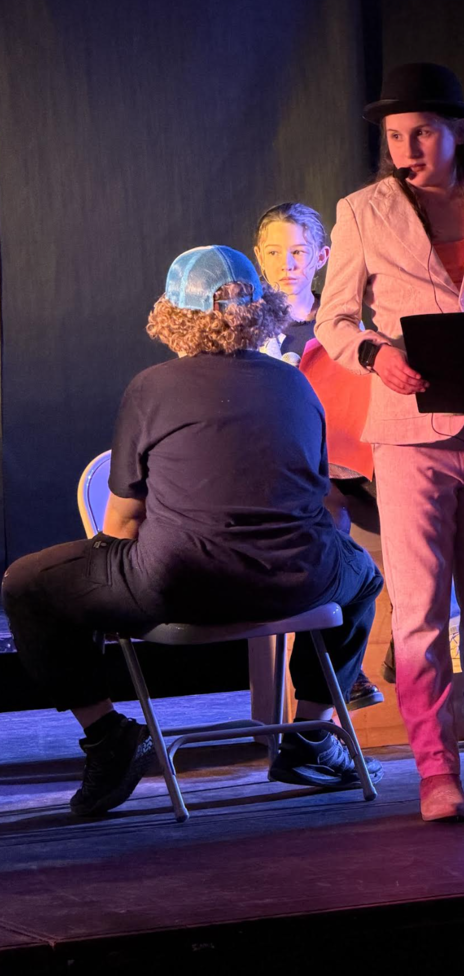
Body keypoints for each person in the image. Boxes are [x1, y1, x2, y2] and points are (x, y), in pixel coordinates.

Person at [2, 245, 383, 817]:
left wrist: (104, 603)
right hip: (299, 581)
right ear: (261, 311)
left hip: (185, 586)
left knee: (26, 582)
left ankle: (109, 739)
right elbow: (317, 492)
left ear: (175, 316)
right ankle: (310, 734)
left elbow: (124, 521)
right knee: (364, 579)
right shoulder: (295, 384)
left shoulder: (152, 386)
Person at [314, 63, 464, 822]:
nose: (406, 147)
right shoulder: (362, 211)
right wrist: (375, 353)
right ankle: (433, 768)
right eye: (394, 136)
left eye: (420, 132)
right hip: (412, 433)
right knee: (420, 610)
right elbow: (334, 319)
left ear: (458, 133)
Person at [254, 201, 384, 711]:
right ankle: (335, 673)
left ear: (323, 257)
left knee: (417, 504)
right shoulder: (247, 330)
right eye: (275, 253)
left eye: (299, 253)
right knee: (324, 517)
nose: (287, 264)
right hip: (286, 469)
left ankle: (413, 647)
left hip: (349, 459)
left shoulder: (340, 328)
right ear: (258, 258)